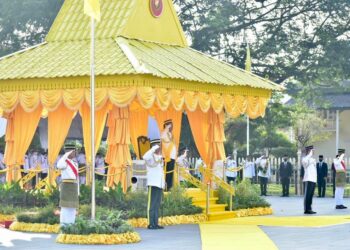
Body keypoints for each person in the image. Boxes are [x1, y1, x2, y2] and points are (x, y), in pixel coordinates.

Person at [143, 139, 165, 230]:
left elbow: (161, 172)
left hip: (159, 184)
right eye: (158, 147)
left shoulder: (159, 157)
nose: (160, 149)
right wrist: (153, 149)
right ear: (154, 147)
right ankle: (150, 223)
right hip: (153, 183)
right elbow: (144, 157)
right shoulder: (150, 156)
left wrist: (163, 183)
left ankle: (155, 223)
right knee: (151, 204)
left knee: (157, 204)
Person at [56, 144, 79, 225]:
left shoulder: (74, 163)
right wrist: (65, 156)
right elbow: (59, 165)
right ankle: (64, 224)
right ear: (70, 152)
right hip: (66, 185)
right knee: (65, 207)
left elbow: (76, 178)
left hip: (73, 186)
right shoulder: (64, 162)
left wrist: (78, 190)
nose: (76, 153)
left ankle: (71, 223)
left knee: (72, 207)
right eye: (74, 151)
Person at [161, 119, 177, 191]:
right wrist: (166, 128)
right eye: (171, 126)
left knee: (171, 173)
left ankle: (170, 187)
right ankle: (166, 188)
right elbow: (161, 137)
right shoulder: (164, 133)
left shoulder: (170, 134)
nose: (172, 127)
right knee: (167, 173)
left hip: (172, 156)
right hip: (167, 157)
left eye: (172, 125)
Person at [302, 145, 317, 214]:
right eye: (312, 150)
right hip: (308, 179)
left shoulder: (313, 159)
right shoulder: (304, 158)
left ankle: (309, 208)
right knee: (307, 195)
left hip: (313, 179)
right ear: (308, 151)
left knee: (311, 195)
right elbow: (305, 164)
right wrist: (309, 155)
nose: (313, 152)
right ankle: (306, 209)